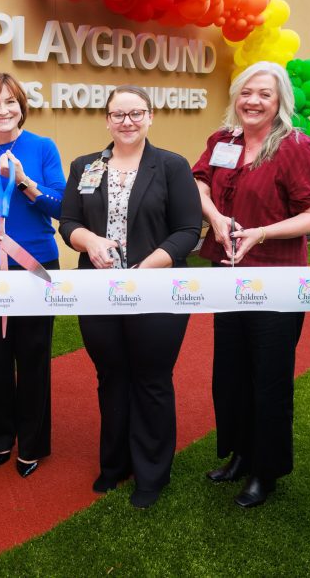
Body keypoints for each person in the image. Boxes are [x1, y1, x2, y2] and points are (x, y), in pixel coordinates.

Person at [192, 61, 310, 508]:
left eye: (264, 95)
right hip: (227, 273)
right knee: (230, 369)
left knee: (269, 376)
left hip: (276, 277)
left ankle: (265, 471)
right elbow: (199, 183)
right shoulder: (223, 140)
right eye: (246, 92)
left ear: (280, 102)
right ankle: (239, 452)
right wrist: (213, 217)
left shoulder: (295, 147)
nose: (253, 101)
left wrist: (262, 232)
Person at [59, 85, 202, 509]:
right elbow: (68, 222)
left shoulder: (172, 166)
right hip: (99, 292)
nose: (127, 121)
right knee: (111, 377)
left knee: (151, 380)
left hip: (155, 290)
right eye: (118, 114)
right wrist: (90, 242)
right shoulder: (85, 165)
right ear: (106, 119)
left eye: (136, 113)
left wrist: (146, 268)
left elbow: (188, 231)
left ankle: (152, 473)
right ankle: (114, 463)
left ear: (150, 117)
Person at [0, 73, 65, 477]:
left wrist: (23, 181)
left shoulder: (42, 147)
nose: (2, 110)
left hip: (34, 264)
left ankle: (33, 441)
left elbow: (58, 206)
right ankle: (0, 436)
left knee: (35, 354)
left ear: (22, 105)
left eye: (10, 102)